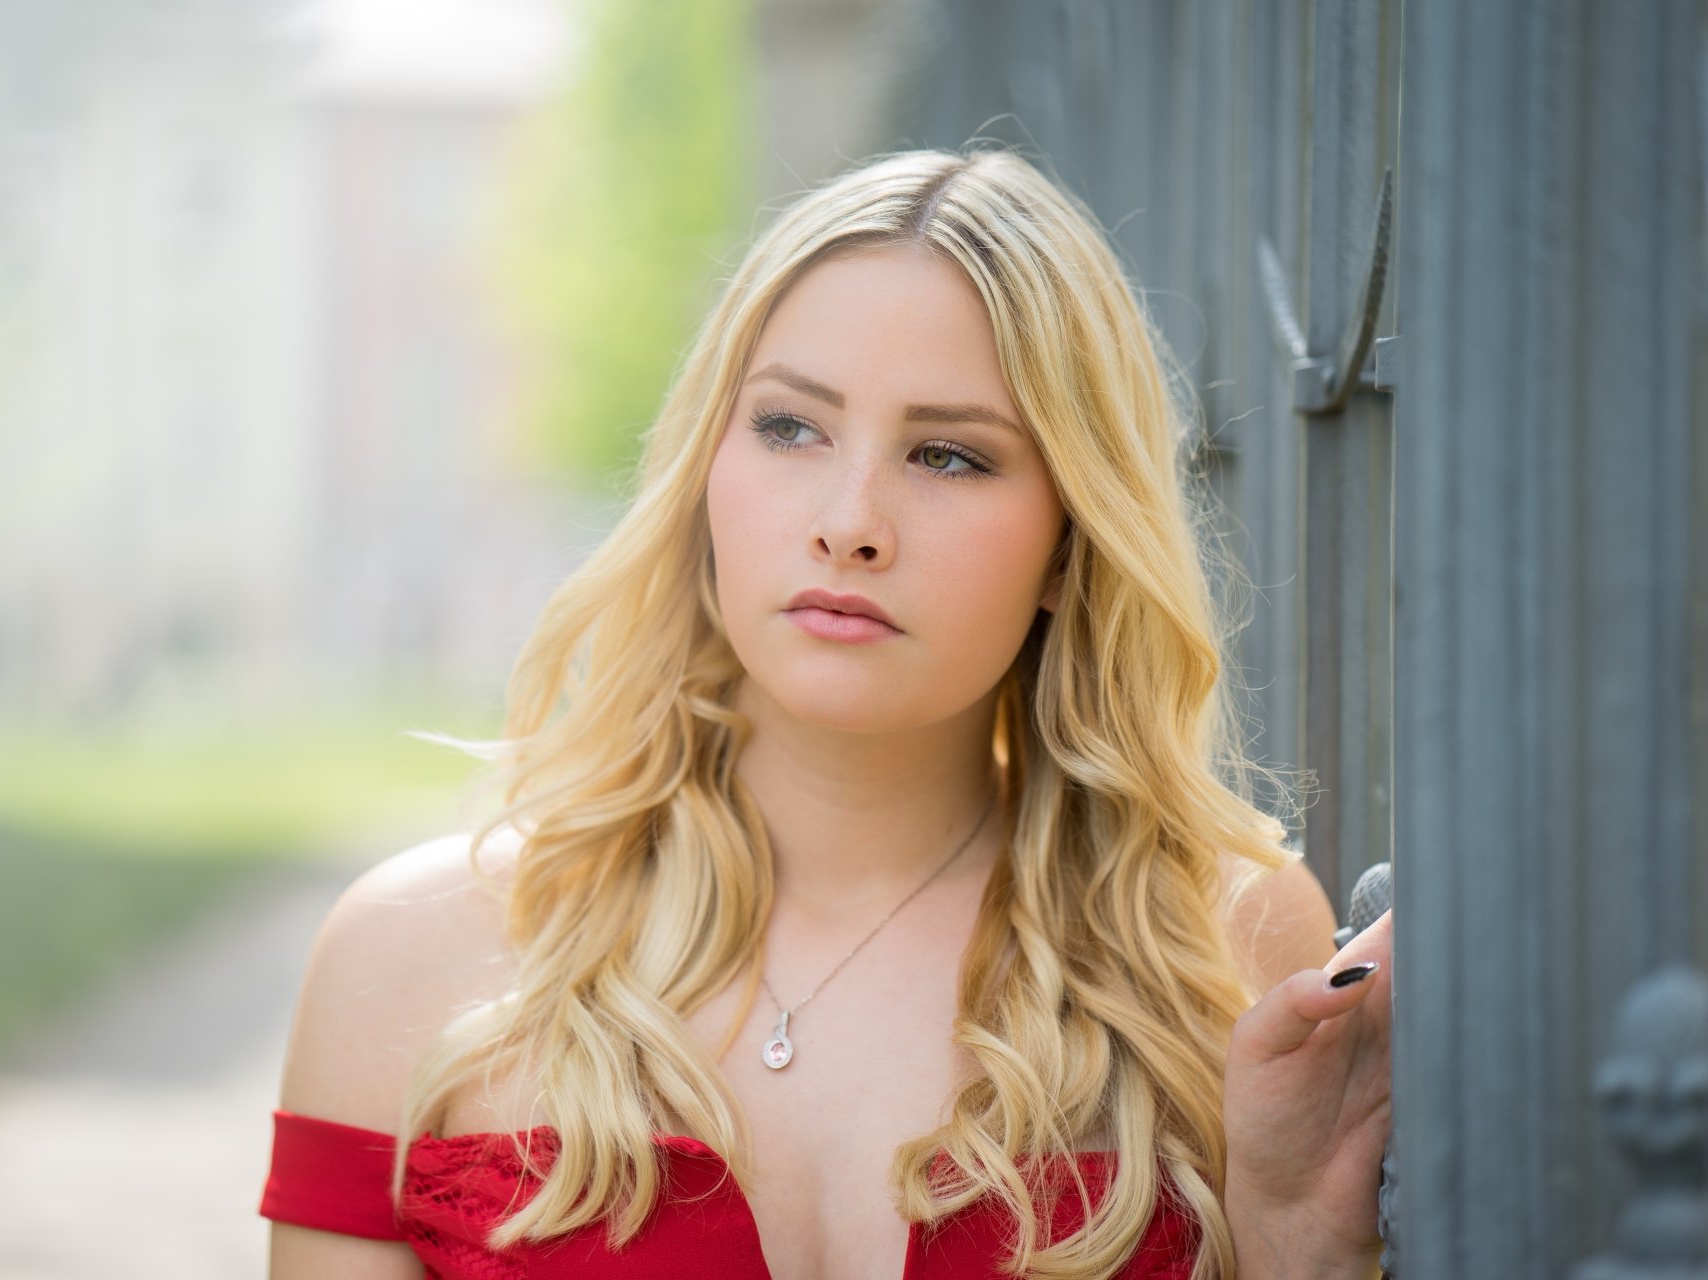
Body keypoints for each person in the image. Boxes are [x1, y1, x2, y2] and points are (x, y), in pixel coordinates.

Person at [258, 146, 1395, 1280]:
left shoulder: (1220, 939)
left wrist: (1304, 1254)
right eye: (791, 428)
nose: (850, 522)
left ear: (1070, 542)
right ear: (706, 465)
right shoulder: (410, 960)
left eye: (948, 455)